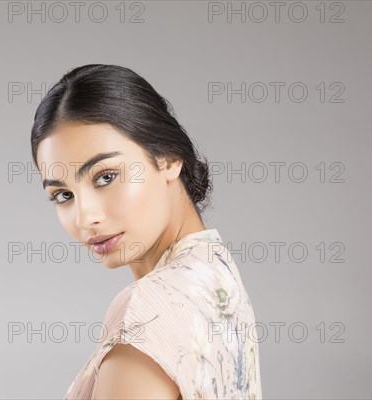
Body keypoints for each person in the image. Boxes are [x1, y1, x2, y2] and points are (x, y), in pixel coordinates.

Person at [30, 64, 262, 399]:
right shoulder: (216, 275)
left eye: (105, 176)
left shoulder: (149, 307)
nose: (86, 217)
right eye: (63, 195)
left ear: (168, 158)